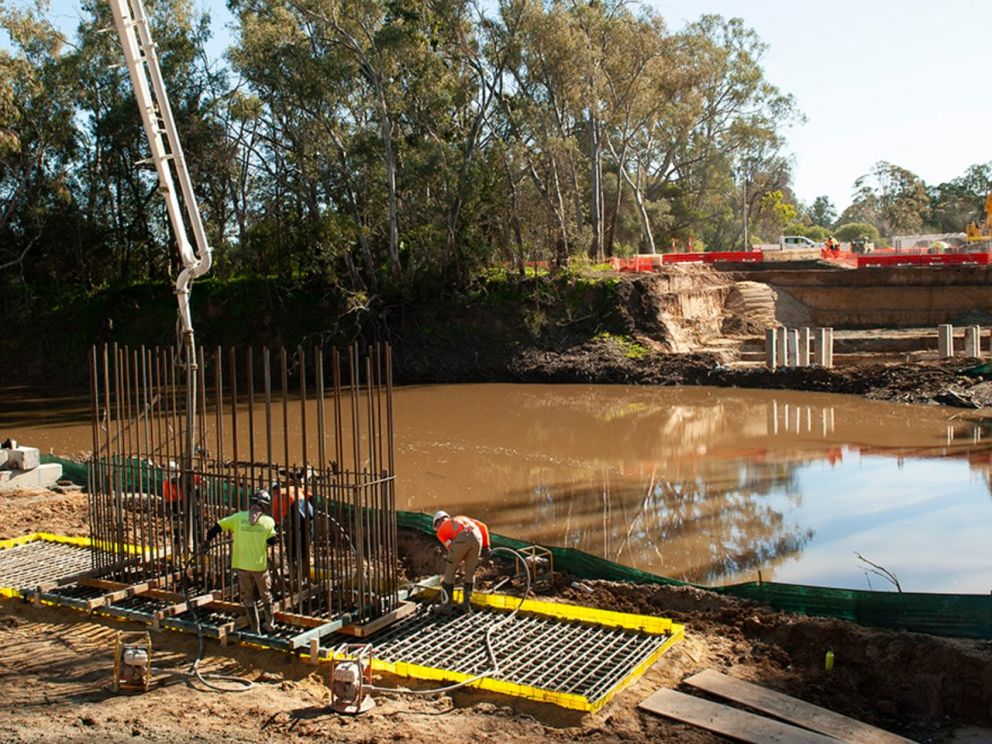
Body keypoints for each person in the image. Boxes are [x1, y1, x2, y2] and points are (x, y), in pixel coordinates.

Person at [201, 490, 278, 633]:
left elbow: (216, 527)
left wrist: (207, 541)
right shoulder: (268, 521)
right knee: (266, 595)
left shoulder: (238, 518)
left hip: (241, 565)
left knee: (248, 597)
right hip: (259, 566)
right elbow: (272, 541)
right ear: (264, 505)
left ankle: (255, 629)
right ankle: (270, 625)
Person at [432, 510, 492, 615]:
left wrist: (459, 559)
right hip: (478, 537)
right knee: (470, 572)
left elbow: (450, 547)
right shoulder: (462, 518)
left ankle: (445, 606)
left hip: (463, 538)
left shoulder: (441, 530)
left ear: (438, 522)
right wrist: (486, 546)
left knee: (450, 571)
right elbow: (483, 526)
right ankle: (466, 605)